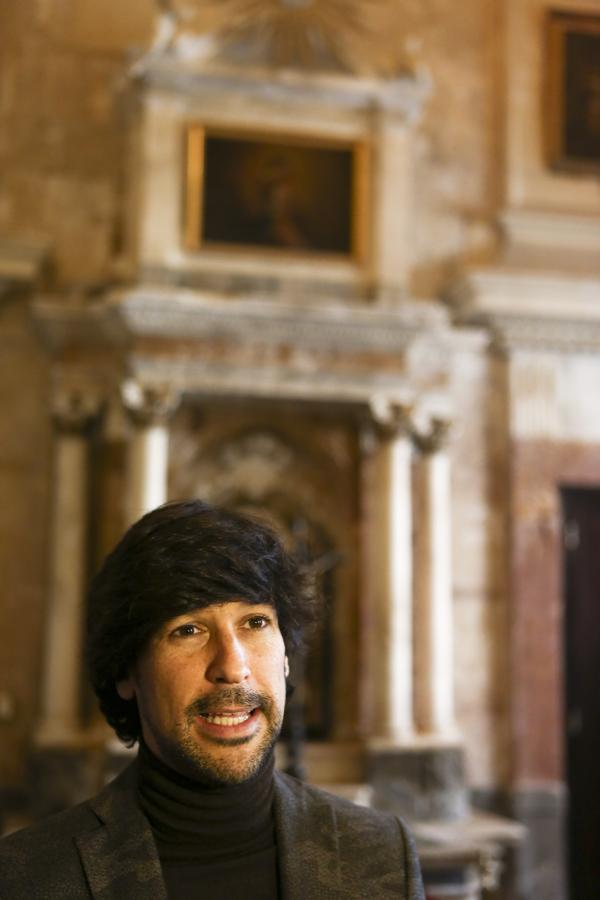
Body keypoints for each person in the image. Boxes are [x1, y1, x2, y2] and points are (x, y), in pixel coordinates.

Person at [0, 499, 424, 899]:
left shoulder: (380, 854)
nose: (232, 666)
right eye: (188, 630)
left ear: (286, 656)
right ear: (126, 673)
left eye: (255, 622)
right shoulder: (29, 875)